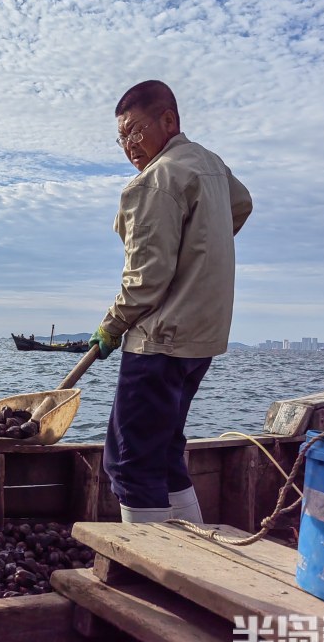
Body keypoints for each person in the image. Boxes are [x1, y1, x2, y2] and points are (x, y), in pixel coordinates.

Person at [88, 81, 252, 523]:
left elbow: (144, 281)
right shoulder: (210, 164)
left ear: (169, 121)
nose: (129, 145)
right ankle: (191, 551)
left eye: (136, 131)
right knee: (164, 452)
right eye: (121, 137)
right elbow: (242, 204)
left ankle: (153, 576)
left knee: (129, 463)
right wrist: (198, 248)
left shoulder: (155, 181)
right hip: (202, 340)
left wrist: (111, 326)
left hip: (159, 341)